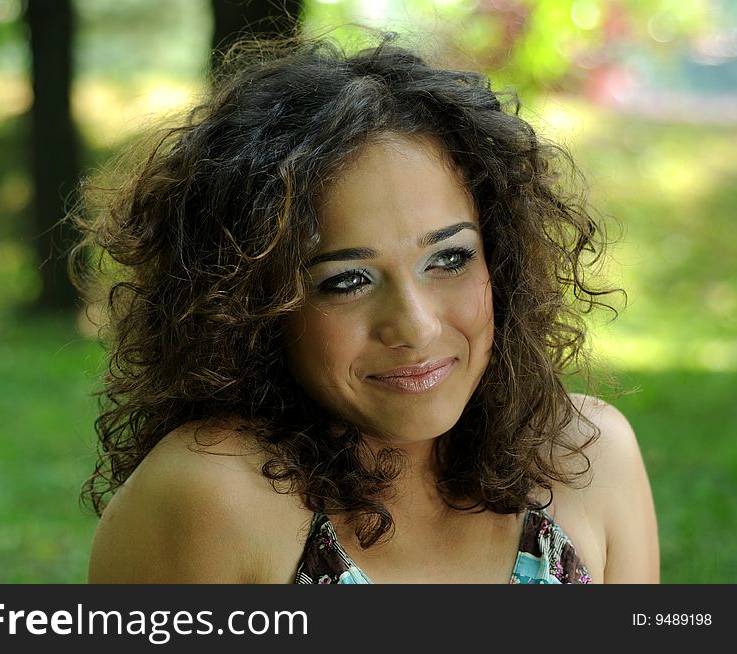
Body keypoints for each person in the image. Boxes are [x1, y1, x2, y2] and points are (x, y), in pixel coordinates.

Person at [75, 34, 659, 584]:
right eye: (347, 280)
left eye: (450, 259)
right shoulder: (212, 494)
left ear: (499, 260)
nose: (416, 325)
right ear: (250, 307)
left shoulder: (588, 456)